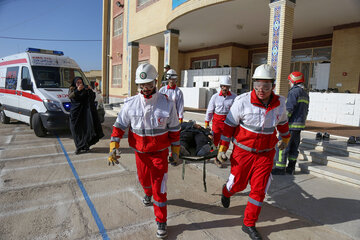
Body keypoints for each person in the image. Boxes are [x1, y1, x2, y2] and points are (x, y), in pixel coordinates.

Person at [217, 64, 290, 240]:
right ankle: (226, 191)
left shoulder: (280, 103)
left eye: (266, 87)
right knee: (239, 185)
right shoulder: (242, 101)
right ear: (253, 84)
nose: (261, 91)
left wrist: (285, 139)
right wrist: (222, 149)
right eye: (257, 86)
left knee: (259, 190)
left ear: (273, 86)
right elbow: (229, 127)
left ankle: (249, 223)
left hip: (265, 155)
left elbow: (283, 124)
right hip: (243, 153)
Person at [107, 63, 180, 239]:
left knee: (159, 188)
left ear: (156, 82)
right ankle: (147, 194)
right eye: (142, 85)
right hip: (139, 153)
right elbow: (119, 127)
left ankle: (161, 221)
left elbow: (175, 130)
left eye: (148, 84)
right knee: (144, 181)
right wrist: (113, 147)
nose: (145, 88)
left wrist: (175, 151)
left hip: (160, 154)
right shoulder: (130, 104)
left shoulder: (167, 103)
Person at [272, 72, 309, 175]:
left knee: (281, 146)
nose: (289, 83)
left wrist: (280, 122)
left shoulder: (293, 92)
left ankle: (280, 168)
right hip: (299, 127)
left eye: (289, 81)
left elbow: (288, 110)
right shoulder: (305, 94)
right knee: (294, 148)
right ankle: (291, 168)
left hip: (290, 125)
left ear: (294, 81)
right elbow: (306, 111)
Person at [204, 76, 236, 167]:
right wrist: (207, 122)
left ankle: (219, 157)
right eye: (224, 86)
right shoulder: (215, 97)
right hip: (217, 122)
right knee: (214, 140)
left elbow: (237, 111)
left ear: (229, 87)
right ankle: (212, 155)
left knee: (225, 141)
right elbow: (210, 110)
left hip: (228, 122)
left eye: (227, 86)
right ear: (221, 86)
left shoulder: (234, 97)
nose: (225, 88)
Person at [68, 77, 104, 154]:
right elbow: (70, 96)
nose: (79, 84)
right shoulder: (72, 89)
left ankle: (85, 146)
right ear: (75, 83)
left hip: (84, 114)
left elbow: (92, 97)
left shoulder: (85, 89)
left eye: (81, 82)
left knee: (86, 129)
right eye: (78, 82)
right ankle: (79, 146)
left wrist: (90, 90)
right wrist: (78, 90)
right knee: (75, 129)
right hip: (75, 113)